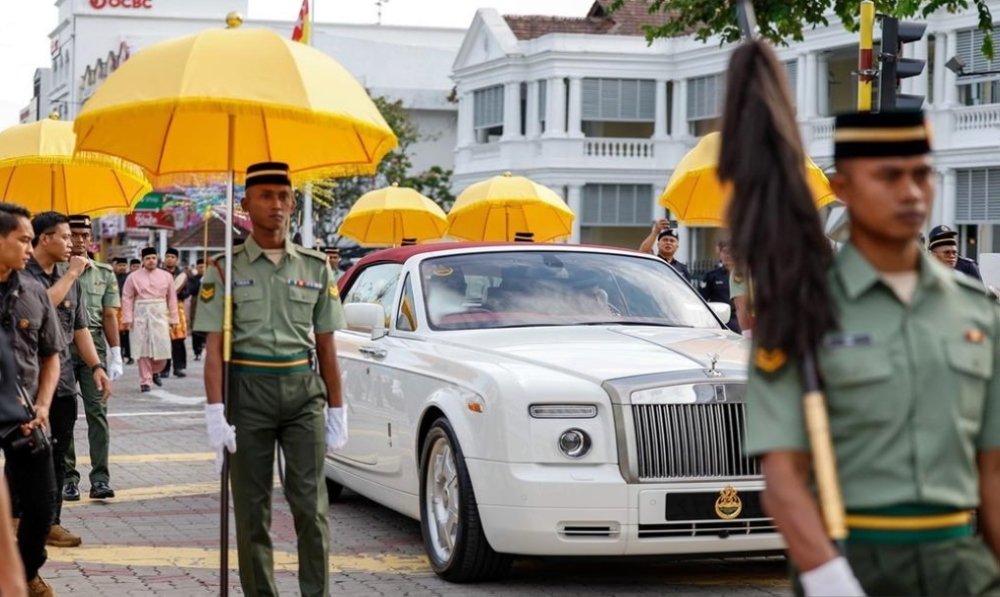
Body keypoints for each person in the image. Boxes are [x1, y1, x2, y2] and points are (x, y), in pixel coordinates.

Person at [722, 42, 1000, 597]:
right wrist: (832, 582)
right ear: (843, 189)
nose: (911, 192)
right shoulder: (802, 316)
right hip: (851, 563)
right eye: (889, 176)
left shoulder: (978, 312)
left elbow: (992, 474)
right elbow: (783, 480)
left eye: (922, 175)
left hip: (960, 567)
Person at [194, 161, 348, 597]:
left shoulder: (317, 267)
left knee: (311, 507)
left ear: (293, 203)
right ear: (245, 205)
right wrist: (214, 411)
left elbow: (327, 347)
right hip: (247, 391)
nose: (276, 205)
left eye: (283, 196)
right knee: (251, 509)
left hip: (303, 392)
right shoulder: (223, 269)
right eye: (265, 196)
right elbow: (214, 349)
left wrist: (338, 409)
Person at [25, 213, 112, 546]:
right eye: (64, 236)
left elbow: (80, 330)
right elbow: (41, 306)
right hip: (27, 382)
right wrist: (75, 270)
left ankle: (52, 521)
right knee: (28, 455)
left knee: (59, 453)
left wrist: (97, 367)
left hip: (61, 381)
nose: (73, 243)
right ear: (43, 239)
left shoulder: (70, 277)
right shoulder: (21, 275)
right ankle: (20, 519)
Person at [0, 202, 64, 597]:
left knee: (41, 509)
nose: (29, 248)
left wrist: (43, 404)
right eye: (22, 239)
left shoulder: (34, 291)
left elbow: (51, 354)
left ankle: (25, 572)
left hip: (25, 415)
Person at [62, 215, 121, 503]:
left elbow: (110, 315)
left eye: (85, 234)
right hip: (60, 343)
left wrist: (117, 352)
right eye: (74, 233)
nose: (80, 239)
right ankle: (68, 478)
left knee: (97, 413)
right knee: (64, 414)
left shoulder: (104, 272)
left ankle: (100, 479)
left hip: (94, 342)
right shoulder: (55, 270)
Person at [121, 248, 178, 392]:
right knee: (143, 349)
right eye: (148, 258)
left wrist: (173, 318)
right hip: (140, 314)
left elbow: (172, 298)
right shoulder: (133, 277)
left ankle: (155, 371)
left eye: (153, 257)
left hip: (160, 314)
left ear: (158, 259)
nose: (151, 260)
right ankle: (145, 381)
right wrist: (127, 318)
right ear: (142, 260)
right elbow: (127, 298)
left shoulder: (167, 276)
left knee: (162, 348)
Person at [160, 247, 190, 379]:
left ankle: (179, 368)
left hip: (178, 308)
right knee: (163, 340)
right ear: (164, 258)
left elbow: (188, 291)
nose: (170, 259)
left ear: (176, 260)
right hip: (161, 309)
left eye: (172, 257)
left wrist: (178, 293)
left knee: (178, 340)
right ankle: (164, 369)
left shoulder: (182, 275)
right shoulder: (158, 274)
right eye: (168, 256)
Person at [699, 240, 740, 332]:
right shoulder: (711, 276)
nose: (728, 255)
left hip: (738, 321)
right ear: (720, 253)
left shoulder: (744, 276)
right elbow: (701, 300)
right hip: (718, 322)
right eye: (725, 251)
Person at [112, 258, 133, 365]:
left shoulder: (130, 278)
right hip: (116, 309)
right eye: (120, 265)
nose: (122, 267)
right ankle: (119, 355)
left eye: (124, 265)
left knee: (127, 334)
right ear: (115, 266)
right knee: (117, 333)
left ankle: (129, 355)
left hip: (127, 308)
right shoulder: (112, 277)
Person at [187, 259, 207, 361]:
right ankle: (197, 351)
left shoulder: (210, 278)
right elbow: (192, 290)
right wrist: (200, 282)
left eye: (203, 267)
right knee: (195, 328)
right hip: (196, 305)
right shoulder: (193, 279)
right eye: (200, 267)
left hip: (207, 305)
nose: (202, 269)